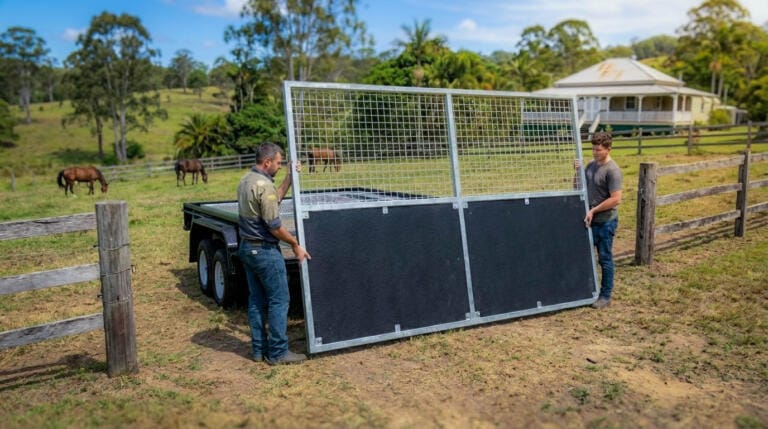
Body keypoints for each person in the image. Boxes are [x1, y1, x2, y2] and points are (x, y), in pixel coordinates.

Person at [238, 143, 311, 365]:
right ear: (267, 162)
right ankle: (279, 352)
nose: (279, 166)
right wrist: (295, 243)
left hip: (247, 248)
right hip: (264, 251)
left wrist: (289, 177)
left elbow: (274, 198)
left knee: (256, 300)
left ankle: (259, 350)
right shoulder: (264, 186)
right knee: (280, 300)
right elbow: (274, 225)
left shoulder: (246, 180)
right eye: (279, 163)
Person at [581, 132, 623, 309]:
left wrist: (594, 210)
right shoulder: (590, 166)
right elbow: (579, 187)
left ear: (608, 149)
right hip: (589, 220)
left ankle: (605, 295)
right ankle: (585, 290)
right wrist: (577, 171)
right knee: (585, 257)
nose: (595, 152)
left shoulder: (613, 171)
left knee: (604, 259)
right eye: (593, 149)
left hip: (605, 222)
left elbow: (616, 199)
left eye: (598, 150)